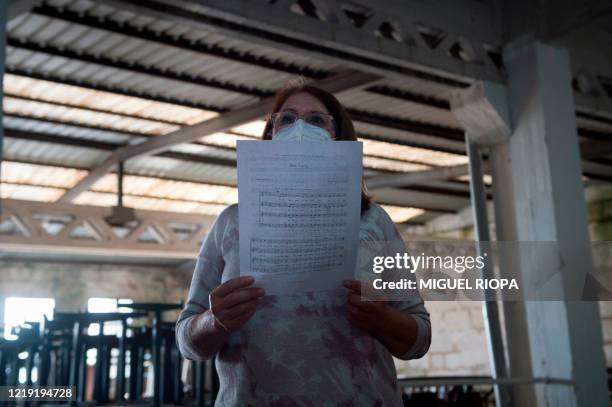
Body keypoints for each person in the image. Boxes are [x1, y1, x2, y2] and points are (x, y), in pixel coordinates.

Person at [176, 82, 431, 406]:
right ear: (269, 136)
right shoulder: (231, 223)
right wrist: (215, 320)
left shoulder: (373, 222)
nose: (299, 128)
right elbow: (187, 342)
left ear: (338, 137)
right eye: (285, 119)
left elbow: (419, 338)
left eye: (315, 120)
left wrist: (381, 318)